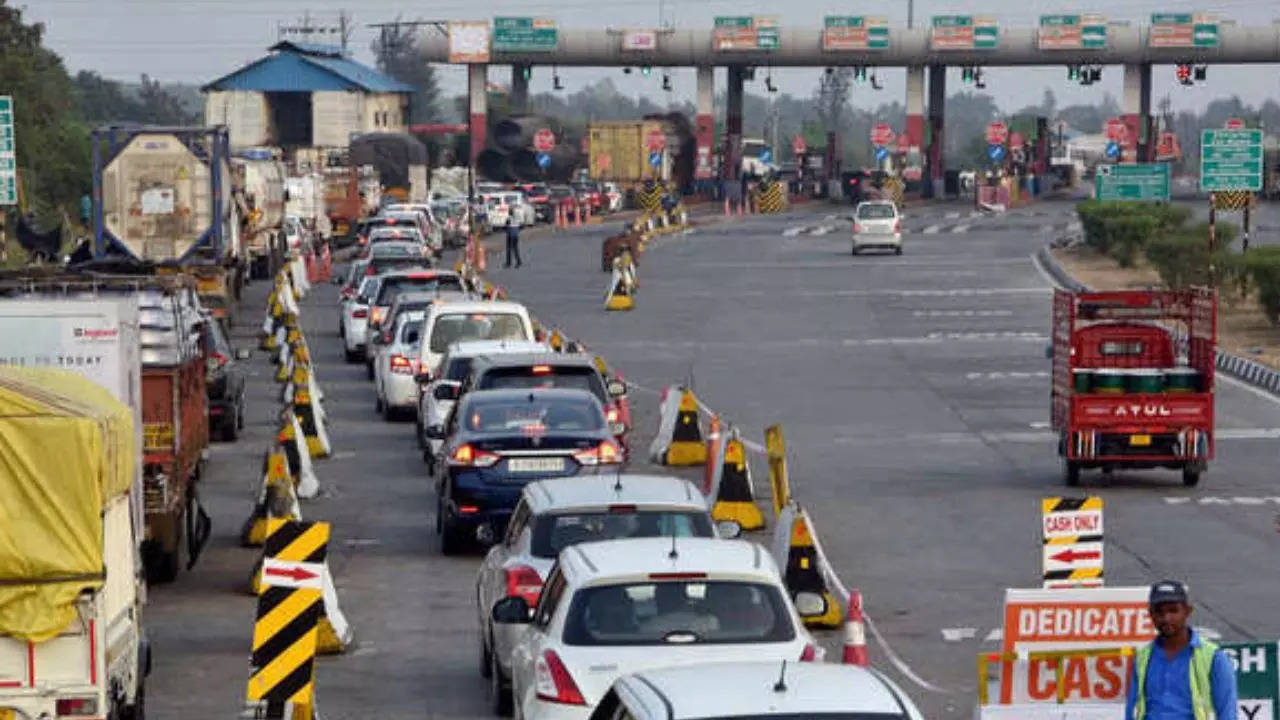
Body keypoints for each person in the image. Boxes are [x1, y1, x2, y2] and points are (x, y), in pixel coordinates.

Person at [1125, 580, 1236, 720]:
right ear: (1151, 614)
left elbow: (1227, 712)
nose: (1166, 618)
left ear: (1187, 611)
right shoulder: (1142, 657)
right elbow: (1132, 710)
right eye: (1159, 612)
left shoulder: (1214, 658)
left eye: (1173, 610)